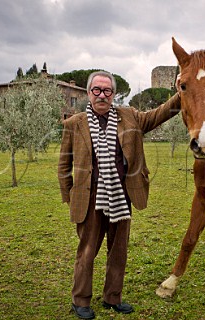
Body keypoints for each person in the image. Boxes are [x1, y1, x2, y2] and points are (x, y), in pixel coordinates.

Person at [58, 70, 180, 319]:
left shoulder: (130, 117)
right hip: (89, 198)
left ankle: (112, 298)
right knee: (87, 250)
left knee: (119, 250)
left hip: (122, 195)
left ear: (113, 94)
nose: (102, 95)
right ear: (89, 92)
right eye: (97, 90)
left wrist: (180, 93)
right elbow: (63, 166)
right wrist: (71, 196)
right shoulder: (74, 124)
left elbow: (160, 115)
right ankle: (80, 300)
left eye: (107, 91)